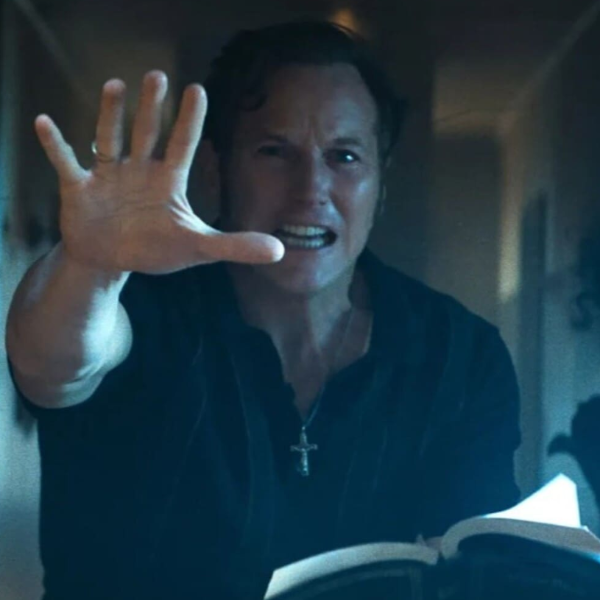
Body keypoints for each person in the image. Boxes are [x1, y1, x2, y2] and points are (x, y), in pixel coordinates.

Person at [5, 21, 521, 600]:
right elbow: (54, 362)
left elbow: (483, 565)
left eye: (345, 156)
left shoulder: (461, 357)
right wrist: (89, 266)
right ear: (214, 169)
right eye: (274, 152)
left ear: (382, 184)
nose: (311, 188)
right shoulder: (145, 309)